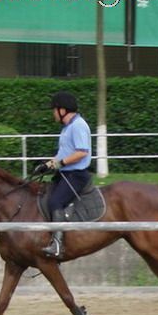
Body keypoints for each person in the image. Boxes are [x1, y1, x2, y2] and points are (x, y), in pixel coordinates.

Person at [37, 90, 92, 259]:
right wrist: (47, 164)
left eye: (54, 110)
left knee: (55, 201)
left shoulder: (78, 125)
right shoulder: (67, 128)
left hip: (76, 175)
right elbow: (63, 153)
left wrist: (60, 163)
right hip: (65, 173)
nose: (53, 113)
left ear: (63, 110)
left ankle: (58, 245)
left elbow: (82, 152)